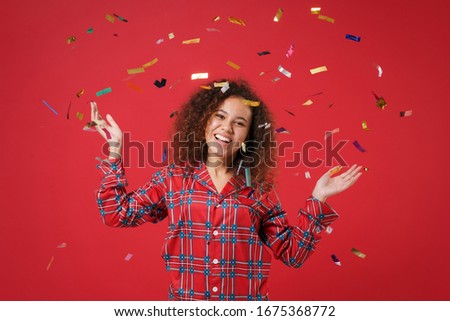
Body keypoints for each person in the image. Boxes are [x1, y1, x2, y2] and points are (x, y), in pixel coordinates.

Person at [92, 79, 362, 301]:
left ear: (248, 136)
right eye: (220, 116)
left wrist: (319, 197)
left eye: (240, 123)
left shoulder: (259, 190)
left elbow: (293, 254)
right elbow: (117, 214)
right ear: (203, 121)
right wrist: (115, 152)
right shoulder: (173, 178)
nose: (227, 128)